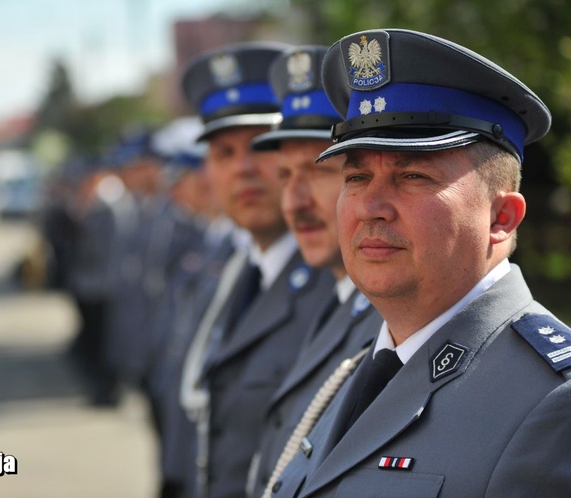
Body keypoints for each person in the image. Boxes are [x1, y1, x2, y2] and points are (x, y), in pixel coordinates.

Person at [267, 28, 570, 498]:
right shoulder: (358, 370)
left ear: (501, 217)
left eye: (412, 175)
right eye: (357, 175)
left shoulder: (553, 403)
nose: (371, 206)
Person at [179, 42, 337, 498]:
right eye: (224, 153)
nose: (243, 169)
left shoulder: (347, 282)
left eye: (259, 145)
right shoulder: (237, 270)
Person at [245, 45, 382, 498]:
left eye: (318, 170)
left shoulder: (396, 320)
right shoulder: (336, 298)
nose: (293, 202)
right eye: (284, 176)